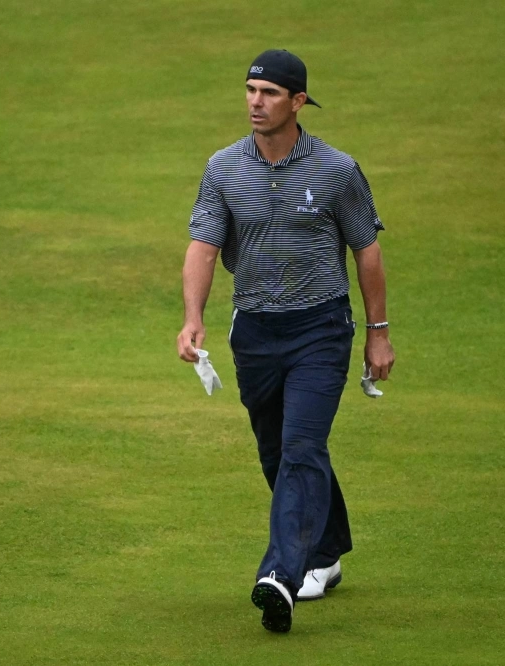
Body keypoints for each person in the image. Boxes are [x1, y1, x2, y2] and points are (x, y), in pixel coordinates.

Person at [175, 49, 394, 633]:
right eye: (250, 90)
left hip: (321, 329)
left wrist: (378, 332)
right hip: (254, 331)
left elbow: (366, 249)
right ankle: (327, 552)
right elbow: (203, 245)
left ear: (298, 102)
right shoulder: (222, 169)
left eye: (269, 93)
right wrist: (192, 317)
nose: (255, 102)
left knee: (300, 446)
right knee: (279, 451)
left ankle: (281, 575)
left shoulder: (337, 170)